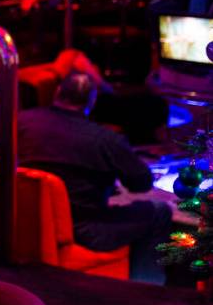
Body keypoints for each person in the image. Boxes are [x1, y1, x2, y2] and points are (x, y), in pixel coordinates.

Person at [18, 72, 172, 284]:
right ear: (92, 100)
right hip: (85, 230)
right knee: (159, 212)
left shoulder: (22, 121)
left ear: (57, 92)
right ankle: (146, 294)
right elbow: (141, 183)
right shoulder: (104, 139)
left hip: (27, 221)